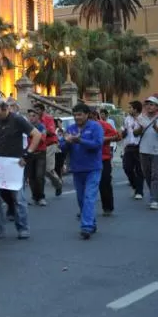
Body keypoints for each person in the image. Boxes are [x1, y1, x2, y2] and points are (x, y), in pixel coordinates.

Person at [0, 101, 40, 240]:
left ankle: (23, 228)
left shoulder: (17, 119)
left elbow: (37, 135)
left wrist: (27, 154)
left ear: (5, 109)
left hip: (15, 163)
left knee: (19, 197)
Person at [61, 103, 105, 240]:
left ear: (87, 115)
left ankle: (85, 227)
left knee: (89, 197)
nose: (77, 117)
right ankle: (91, 223)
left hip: (93, 168)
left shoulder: (96, 127)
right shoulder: (71, 128)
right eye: (75, 115)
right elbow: (62, 147)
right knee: (81, 199)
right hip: (77, 169)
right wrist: (67, 142)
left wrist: (80, 140)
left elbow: (98, 145)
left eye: (79, 114)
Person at [135, 96, 158, 210]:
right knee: (147, 175)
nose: (149, 106)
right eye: (147, 104)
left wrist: (156, 128)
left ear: (157, 106)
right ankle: (156, 194)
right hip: (144, 150)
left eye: (151, 104)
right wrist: (140, 127)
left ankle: (154, 199)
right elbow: (135, 133)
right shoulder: (141, 117)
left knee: (156, 176)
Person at [96, 111, 121, 217]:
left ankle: (107, 207)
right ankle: (84, 207)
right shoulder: (79, 127)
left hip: (103, 158)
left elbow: (118, 136)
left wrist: (106, 139)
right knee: (86, 186)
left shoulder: (104, 125)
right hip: (86, 160)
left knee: (104, 183)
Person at [121, 101, 146, 199]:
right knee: (127, 167)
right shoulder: (126, 119)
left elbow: (140, 132)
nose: (128, 109)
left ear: (135, 109)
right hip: (128, 146)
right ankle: (135, 185)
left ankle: (139, 191)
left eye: (130, 107)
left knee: (139, 170)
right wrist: (123, 132)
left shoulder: (143, 119)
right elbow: (123, 132)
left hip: (140, 146)